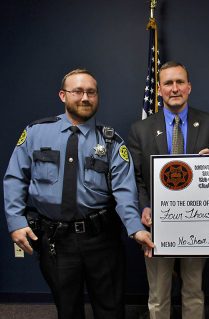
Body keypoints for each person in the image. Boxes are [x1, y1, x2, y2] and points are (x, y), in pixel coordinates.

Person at [3, 68, 155, 319]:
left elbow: (124, 192)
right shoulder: (35, 133)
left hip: (102, 241)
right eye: (78, 91)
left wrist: (135, 228)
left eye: (91, 92)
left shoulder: (111, 142)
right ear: (63, 95)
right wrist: (16, 222)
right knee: (68, 310)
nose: (85, 98)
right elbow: (15, 178)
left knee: (110, 310)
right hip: (55, 240)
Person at [128, 61, 209, 319]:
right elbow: (136, 178)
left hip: (198, 224)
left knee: (193, 291)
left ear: (189, 87)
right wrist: (144, 206)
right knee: (158, 295)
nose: (174, 88)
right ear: (159, 90)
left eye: (180, 82)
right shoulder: (141, 129)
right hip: (157, 225)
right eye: (168, 83)